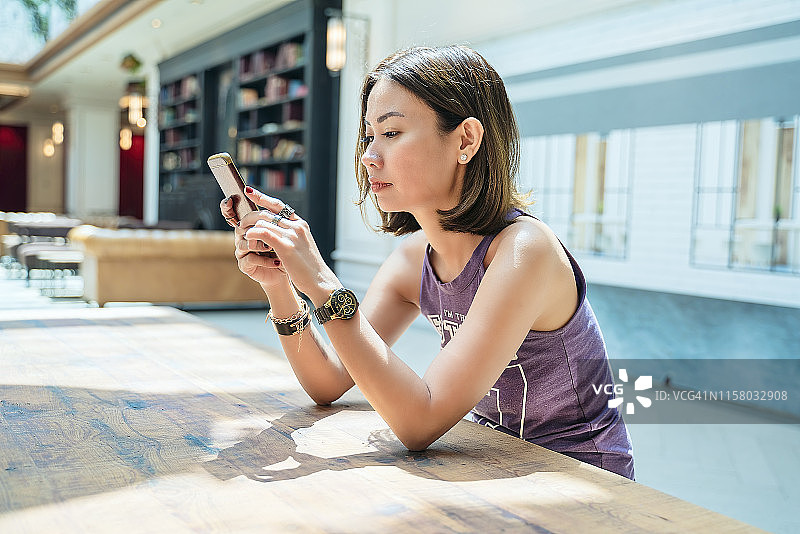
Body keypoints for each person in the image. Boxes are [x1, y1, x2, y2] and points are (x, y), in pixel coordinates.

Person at [220, 45, 634, 479]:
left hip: (579, 479)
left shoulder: (524, 250)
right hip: (491, 464)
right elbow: (327, 382)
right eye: (368, 136)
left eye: (392, 133)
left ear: (465, 141)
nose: (369, 156)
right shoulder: (413, 261)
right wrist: (279, 283)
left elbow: (420, 421)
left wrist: (322, 282)